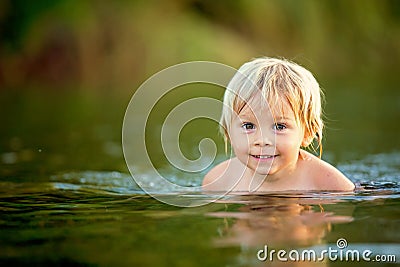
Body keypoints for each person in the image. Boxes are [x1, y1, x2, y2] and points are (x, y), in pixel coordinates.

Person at [202, 57, 355, 192]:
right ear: (229, 133)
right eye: (248, 126)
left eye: (279, 127)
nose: (262, 140)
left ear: (307, 133)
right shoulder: (217, 182)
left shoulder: (331, 185)